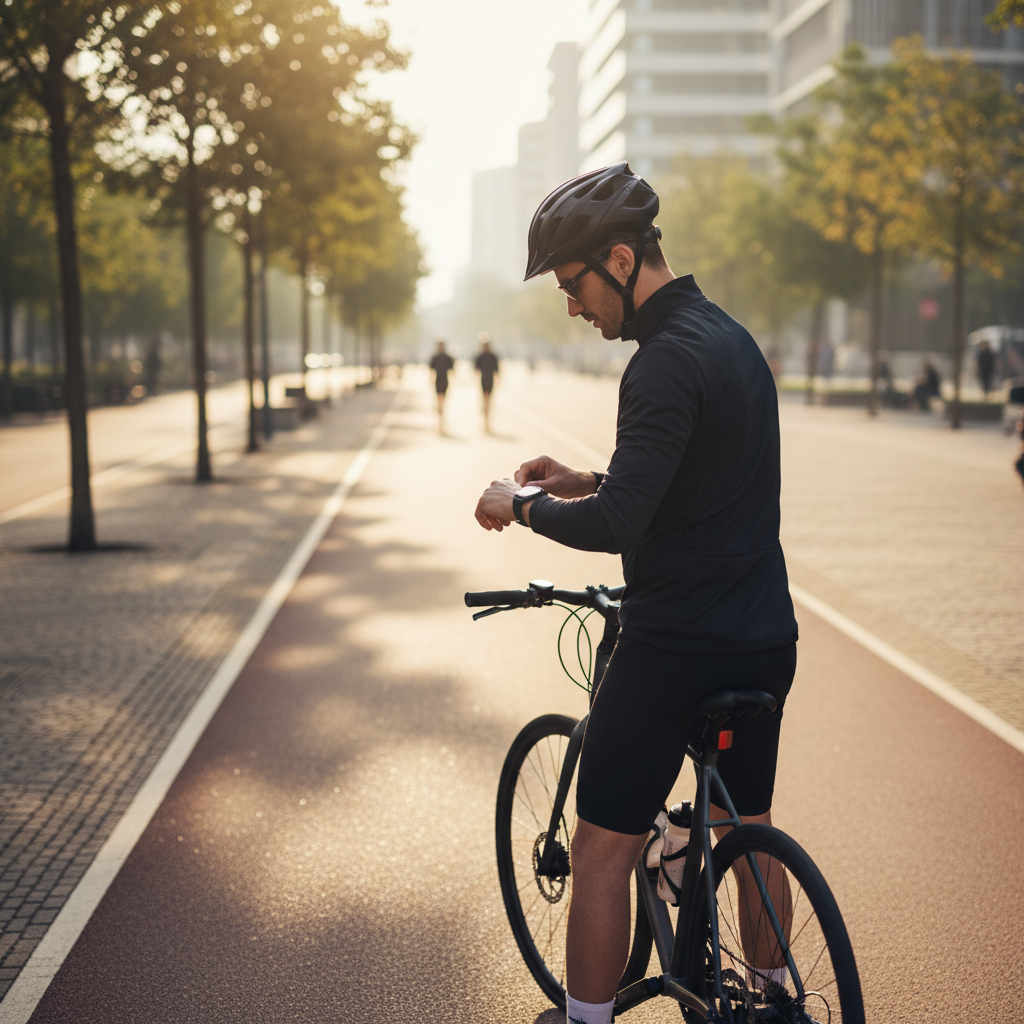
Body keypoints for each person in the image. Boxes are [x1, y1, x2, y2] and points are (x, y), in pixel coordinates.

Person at [473, 163, 798, 1024]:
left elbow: (619, 523)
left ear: (619, 261)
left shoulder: (656, 365)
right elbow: (687, 480)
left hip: (674, 650)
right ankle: (774, 1003)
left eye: (573, 286)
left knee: (602, 847)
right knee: (748, 826)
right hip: (765, 638)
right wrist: (583, 474)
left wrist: (526, 503)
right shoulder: (731, 341)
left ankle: (586, 1019)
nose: (571, 308)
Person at [474, 332, 500, 432]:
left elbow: (496, 370)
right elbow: (476, 370)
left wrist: (498, 380)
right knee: (484, 400)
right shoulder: (479, 356)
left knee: (489, 401)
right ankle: (485, 421)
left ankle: (488, 421)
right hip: (483, 381)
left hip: (490, 381)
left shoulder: (493, 356)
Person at [428, 339, 455, 432]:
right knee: (439, 401)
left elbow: (452, 370)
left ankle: (442, 420)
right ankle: (440, 421)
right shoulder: (435, 358)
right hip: (438, 380)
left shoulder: (448, 358)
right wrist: (430, 381)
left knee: (443, 401)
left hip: (445, 381)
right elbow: (431, 371)